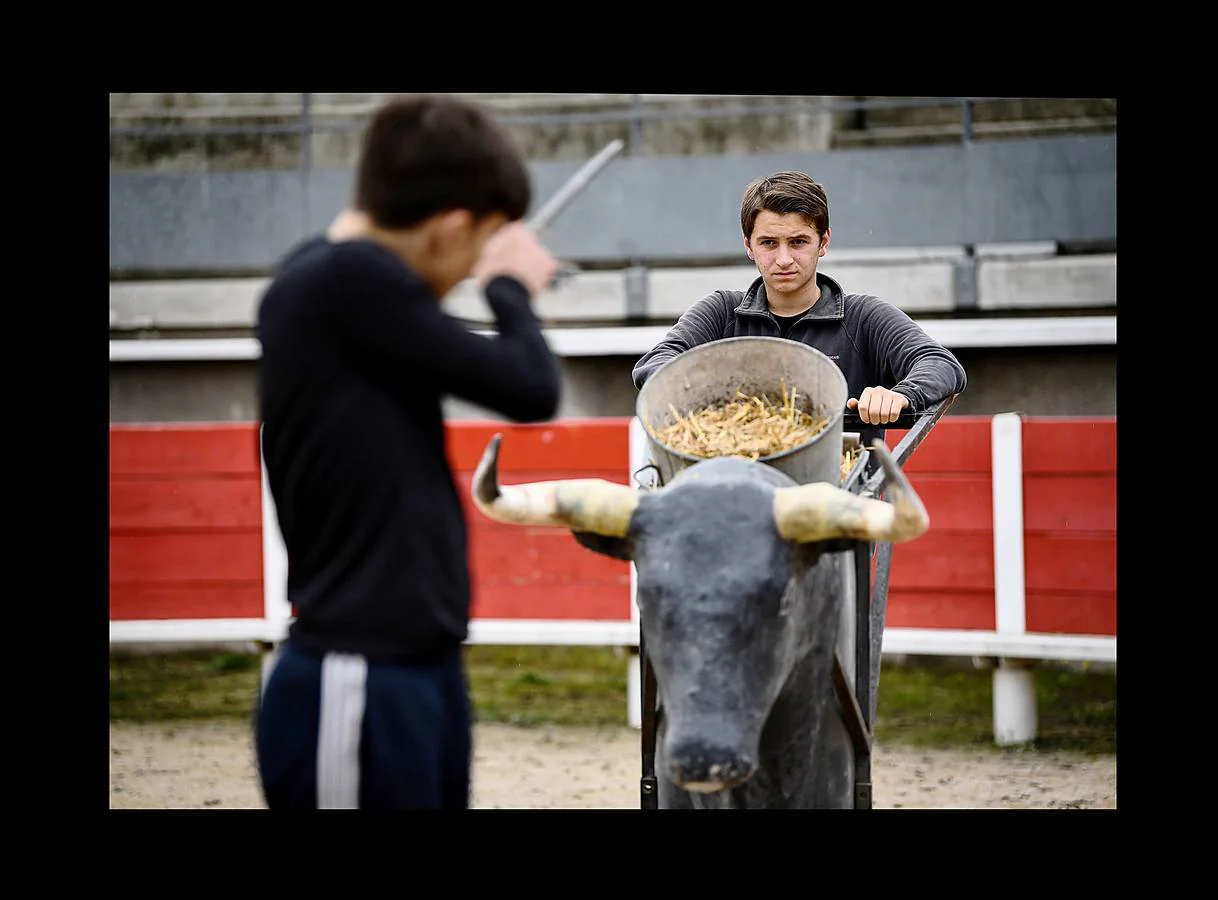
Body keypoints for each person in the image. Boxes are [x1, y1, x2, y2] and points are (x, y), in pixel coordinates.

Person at [253, 94, 563, 809]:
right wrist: (510, 286)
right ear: (449, 227)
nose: (464, 275)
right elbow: (529, 387)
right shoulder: (346, 284)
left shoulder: (334, 285)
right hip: (356, 669)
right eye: (475, 247)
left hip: (409, 666)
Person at [632, 170, 967, 455]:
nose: (783, 259)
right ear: (748, 245)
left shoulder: (864, 317)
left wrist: (900, 396)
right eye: (768, 243)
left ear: (823, 242)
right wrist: (712, 396)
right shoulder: (722, 313)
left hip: (839, 509)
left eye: (798, 242)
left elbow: (941, 364)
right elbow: (655, 363)